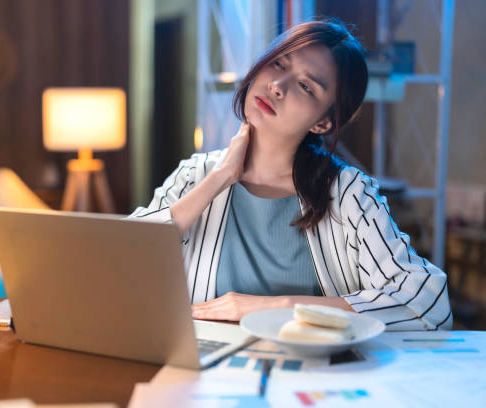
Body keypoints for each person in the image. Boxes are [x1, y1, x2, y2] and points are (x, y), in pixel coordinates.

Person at [130, 20, 452, 331]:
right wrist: (220, 177)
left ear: (323, 123)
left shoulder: (347, 194)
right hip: (209, 375)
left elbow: (429, 303)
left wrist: (276, 307)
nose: (277, 86)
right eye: (279, 64)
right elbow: (121, 261)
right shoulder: (196, 176)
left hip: (315, 378)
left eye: (305, 86)